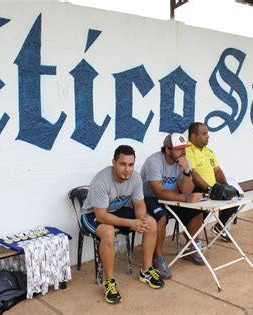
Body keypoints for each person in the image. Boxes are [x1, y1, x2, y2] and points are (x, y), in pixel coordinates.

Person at [81, 145, 163, 304]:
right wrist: (131, 222)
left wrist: (140, 219)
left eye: (131, 165)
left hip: (116, 210)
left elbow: (139, 204)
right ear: (114, 162)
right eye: (123, 164)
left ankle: (145, 271)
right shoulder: (102, 180)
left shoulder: (136, 177)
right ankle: (109, 282)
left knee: (151, 223)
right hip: (92, 214)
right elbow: (102, 215)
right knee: (108, 233)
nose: (127, 169)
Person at [140, 133, 204, 280]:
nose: (183, 152)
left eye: (184, 148)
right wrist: (187, 198)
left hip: (171, 197)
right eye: (179, 149)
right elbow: (159, 192)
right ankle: (158, 257)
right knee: (161, 218)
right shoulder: (154, 161)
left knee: (197, 212)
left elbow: (187, 190)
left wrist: (187, 172)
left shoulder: (183, 162)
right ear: (168, 150)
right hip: (149, 198)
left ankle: (190, 247)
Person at [185, 122, 240, 242]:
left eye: (207, 134)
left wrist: (226, 186)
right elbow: (193, 174)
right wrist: (209, 189)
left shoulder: (209, 151)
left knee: (235, 195)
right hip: (199, 189)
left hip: (213, 188)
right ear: (193, 136)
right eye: (204, 134)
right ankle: (192, 236)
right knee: (201, 209)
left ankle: (220, 226)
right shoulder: (188, 150)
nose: (208, 136)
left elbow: (217, 170)